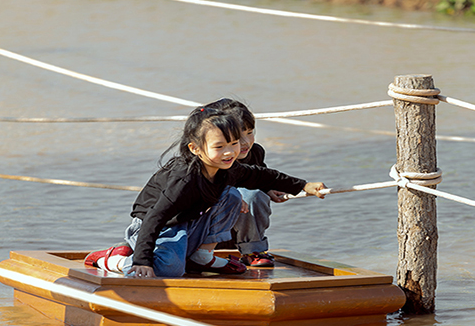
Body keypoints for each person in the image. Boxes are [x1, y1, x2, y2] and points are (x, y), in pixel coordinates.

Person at [85, 103, 326, 278]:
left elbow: (263, 175)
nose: (231, 152)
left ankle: (202, 255)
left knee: (232, 195)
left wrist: (303, 185)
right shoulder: (184, 179)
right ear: (196, 149)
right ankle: (115, 259)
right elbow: (154, 217)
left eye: (234, 144)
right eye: (219, 146)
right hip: (161, 224)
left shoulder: (228, 169)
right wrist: (141, 260)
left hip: (189, 221)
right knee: (169, 270)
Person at [211, 98, 287, 267]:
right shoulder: (208, 160)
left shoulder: (256, 153)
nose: (245, 142)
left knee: (254, 195)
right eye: (238, 136)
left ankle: (253, 250)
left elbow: (259, 177)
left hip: (241, 229)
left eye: (249, 132)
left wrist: (268, 189)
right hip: (209, 228)